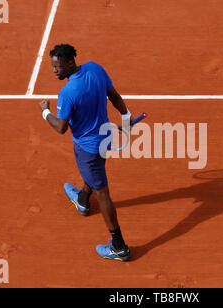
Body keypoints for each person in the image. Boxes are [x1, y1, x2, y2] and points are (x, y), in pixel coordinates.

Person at [38, 44, 131, 261]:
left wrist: (45, 112)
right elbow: (114, 95)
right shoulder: (95, 68)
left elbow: (61, 127)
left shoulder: (68, 93)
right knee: (94, 175)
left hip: (87, 147)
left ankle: (119, 246)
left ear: (70, 63)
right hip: (104, 139)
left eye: (58, 67)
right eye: (53, 67)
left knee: (103, 193)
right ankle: (82, 199)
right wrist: (126, 119)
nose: (54, 71)